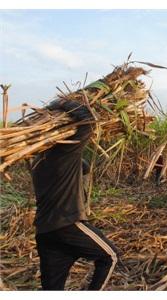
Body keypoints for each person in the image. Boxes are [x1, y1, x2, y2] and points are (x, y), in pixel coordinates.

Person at [31, 99, 118, 290]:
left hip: (45, 232)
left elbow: (83, 167)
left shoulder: (37, 161)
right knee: (110, 257)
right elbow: (88, 121)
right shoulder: (64, 152)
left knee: (52, 289)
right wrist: (61, 102)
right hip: (67, 225)